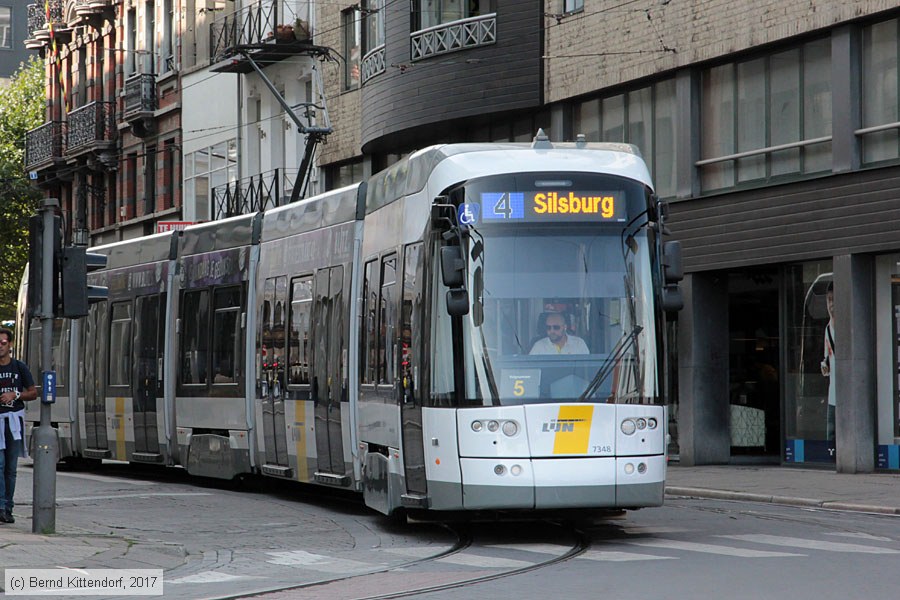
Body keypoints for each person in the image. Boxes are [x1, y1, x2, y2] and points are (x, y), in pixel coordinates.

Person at [0, 327, 37, 524]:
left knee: (11, 467)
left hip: (13, 420)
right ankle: (0, 506)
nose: (0, 347)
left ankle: (8, 507)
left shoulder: (19, 367)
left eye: (3, 343)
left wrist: (15, 395)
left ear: (10, 345)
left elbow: (33, 392)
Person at [820, 283, 835, 440]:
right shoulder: (827, 329)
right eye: (828, 300)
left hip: (844, 394)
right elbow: (827, 358)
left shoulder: (847, 327)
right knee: (831, 436)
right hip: (833, 395)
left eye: (834, 299)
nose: (831, 304)